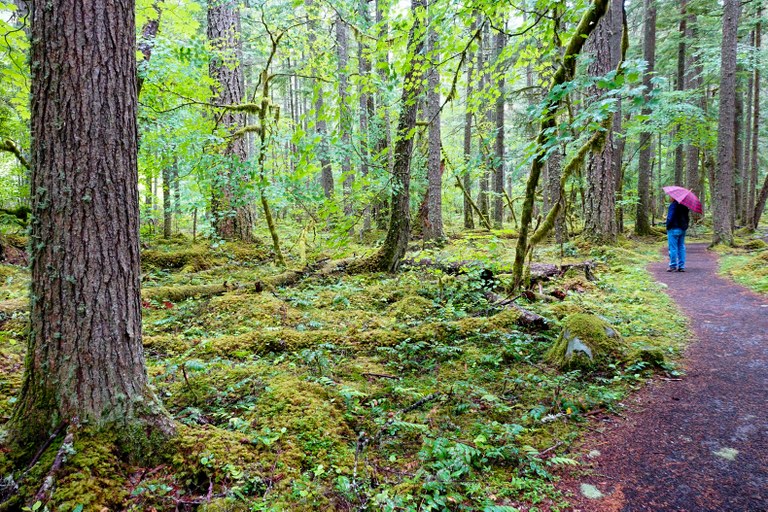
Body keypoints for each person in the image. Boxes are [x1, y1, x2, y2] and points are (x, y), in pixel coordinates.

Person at [666, 197, 690, 272]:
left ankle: (673, 265)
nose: (670, 198)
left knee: (672, 248)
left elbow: (670, 217)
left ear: (674, 197)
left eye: (671, 197)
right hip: (682, 229)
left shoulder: (673, 205)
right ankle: (681, 266)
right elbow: (687, 218)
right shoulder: (685, 206)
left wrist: (668, 226)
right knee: (681, 247)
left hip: (673, 229)